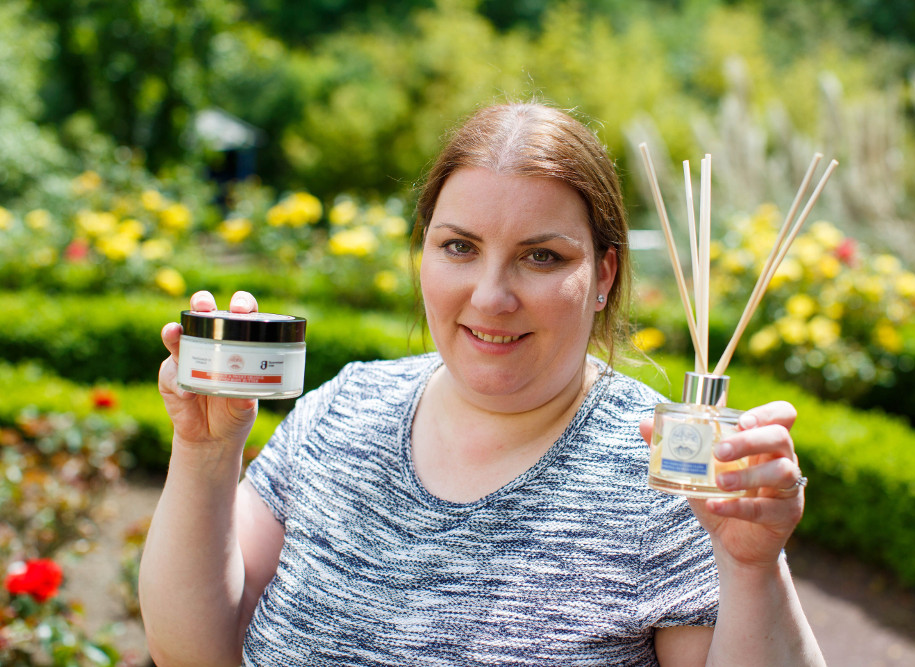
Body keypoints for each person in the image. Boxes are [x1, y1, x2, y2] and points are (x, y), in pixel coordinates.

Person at [139, 102, 826, 666]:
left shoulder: (673, 469)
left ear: (604, 275)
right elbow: (193, 653)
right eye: (460, 247)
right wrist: (204, 450)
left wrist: (753, 571)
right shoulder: (342, 412)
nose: (491, 296)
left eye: (540, 256)